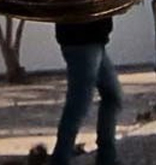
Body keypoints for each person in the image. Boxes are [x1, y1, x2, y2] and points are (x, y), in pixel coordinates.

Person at [50, 18, 122, 165]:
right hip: (82, 40)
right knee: (78, 105)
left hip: (93, 39)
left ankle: (106, 158)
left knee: (112, 96)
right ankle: (60, 159)